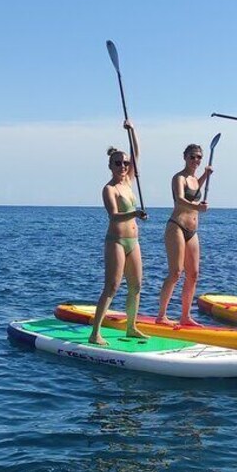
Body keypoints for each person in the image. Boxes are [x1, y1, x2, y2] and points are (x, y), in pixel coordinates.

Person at [88, 120, 149, 346]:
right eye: (118, 163)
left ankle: (131, 327)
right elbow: (114, 216)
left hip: (134, 241)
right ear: (110, 166)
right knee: (112, 286)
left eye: (125, 163)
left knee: (136, 285)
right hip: (116, 241)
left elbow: (137, 153)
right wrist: (136, 213)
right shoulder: (109, 189)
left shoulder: (130, 182)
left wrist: (132, 130)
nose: (123, 166)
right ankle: (95, 333)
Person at [156, 144, 213, 325]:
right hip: (177, 226)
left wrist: (205, 175)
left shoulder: (196, 179)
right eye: (193, 157)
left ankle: (185, 316)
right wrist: (198, 207)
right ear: (185, 157)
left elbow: (195, 189)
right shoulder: (178, 178)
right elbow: (181, 199)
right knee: (175, 272)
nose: (196, 160)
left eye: (199, 158)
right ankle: (161, 316)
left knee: (194, 273)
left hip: (192, 231)